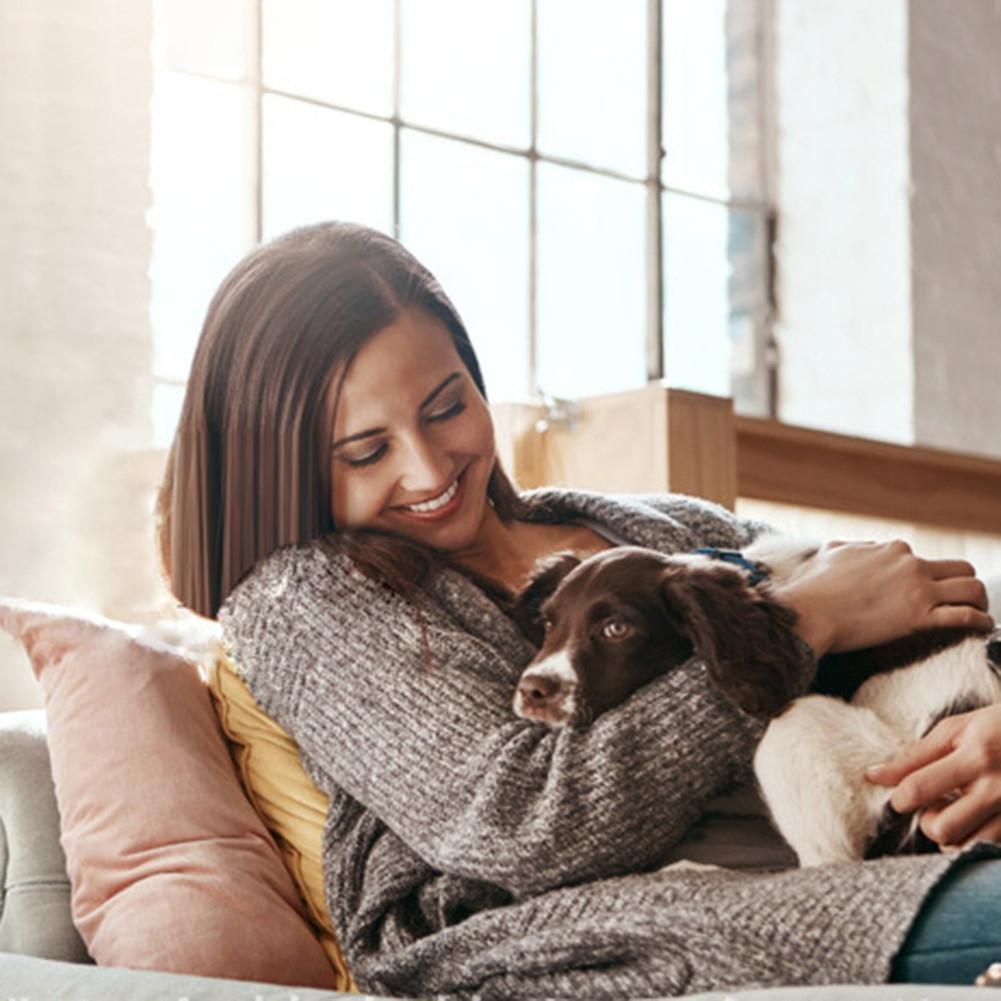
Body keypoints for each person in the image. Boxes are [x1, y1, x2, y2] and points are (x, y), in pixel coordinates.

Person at [157, 220, 1001, 998]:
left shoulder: (664, 527)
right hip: (621, 927)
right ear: (286, 466)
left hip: (901, 833)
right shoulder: (302, 598)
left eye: (447, 405)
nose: (429, 469)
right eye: (366, 451)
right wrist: (799, 622)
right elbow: (518, 824)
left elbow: (924, 627)